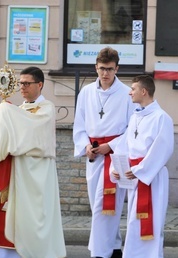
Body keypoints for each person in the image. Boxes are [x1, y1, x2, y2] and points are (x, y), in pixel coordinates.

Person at [0, 66, 66, 258]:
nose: (22, 87)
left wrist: (5, 110)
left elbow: (29, 132)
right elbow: (9, 134)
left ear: (40, 84)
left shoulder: (47, 109)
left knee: (30, 219)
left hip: (34, 175)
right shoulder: (18, 110)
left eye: (27, 83)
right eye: (20, 83)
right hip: (14, 171)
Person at [73, 47, 136, 258]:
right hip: (94, 155)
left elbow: (132, 128)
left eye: (109, 69)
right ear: (96, 68)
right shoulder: (86, 92)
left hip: (115, 155)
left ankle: (99, 253)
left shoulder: (126, 94)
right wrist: (86, 147)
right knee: (98, 206)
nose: (105, 74)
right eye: (101, 69)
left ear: (117, 68)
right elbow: (79, 124)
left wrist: (113, 145)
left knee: (105, 207)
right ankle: (115, 247)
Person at [110, 75, 173, 258]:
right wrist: (117, 168)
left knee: (152, 222)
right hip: (135, 176)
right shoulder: (136, 116)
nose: (130, 92)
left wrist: (139, 170)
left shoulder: (162, 118)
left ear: (144, 91)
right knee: (133, 221)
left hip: (151, 177)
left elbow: (162, 150)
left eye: (133, 89)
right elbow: (124, 146)